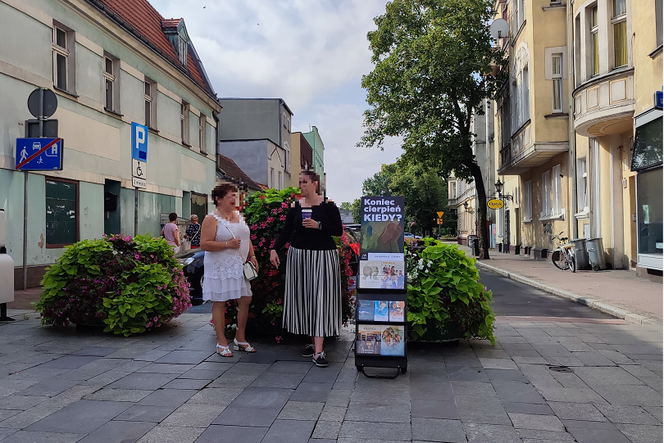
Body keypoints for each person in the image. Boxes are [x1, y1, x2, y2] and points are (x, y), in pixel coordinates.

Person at [270, 170, 343, 367]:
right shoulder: (295, 207)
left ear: (315, 183)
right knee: (305, 298)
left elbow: (338, 230)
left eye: (304, 182)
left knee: (320, 298)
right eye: (299, 182)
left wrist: (318, 225)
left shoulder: (328, 206)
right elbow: (286, 232)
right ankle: (313, 343)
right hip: (299, 256)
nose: (301, 185)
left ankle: (319, 351)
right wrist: (274, 249)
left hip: (322, 256)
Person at [200, 184, 259, 357]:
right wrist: (227, 244)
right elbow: (205, 244)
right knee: (219, 302)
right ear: (218, 199)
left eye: (235, 195)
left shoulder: (239, 216)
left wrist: (252, 256)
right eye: (229, 196)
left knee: (245, 299)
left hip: (238, 266)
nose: (234, 198)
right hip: (220, 266)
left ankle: (240, 337)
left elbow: (246, 238)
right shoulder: (211, 218)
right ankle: (221, 342)